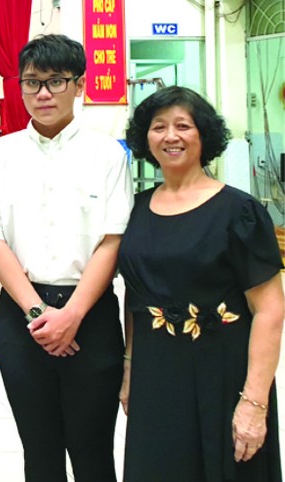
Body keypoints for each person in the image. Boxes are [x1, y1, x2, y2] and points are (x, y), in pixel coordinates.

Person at [0, 34, 133, 481]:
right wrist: (38, 312)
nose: (43, 94)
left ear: (80, 85)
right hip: (23, 319)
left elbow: (112, 240)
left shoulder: (107, 154)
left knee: (93, 452)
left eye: (56, 82)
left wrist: (71, 315)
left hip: (89, 316)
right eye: (32, 83)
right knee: (39, 451)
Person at [119, 86, 284, 481]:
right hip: (155, 377)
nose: (170, 136)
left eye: (183, 126)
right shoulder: (137, 208)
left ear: (204, 135)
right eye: (159, 127)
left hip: (224, 378)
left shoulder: (238, 211)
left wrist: (254, 403)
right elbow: (136, 299)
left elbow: (270, 309)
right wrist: (129, 370)